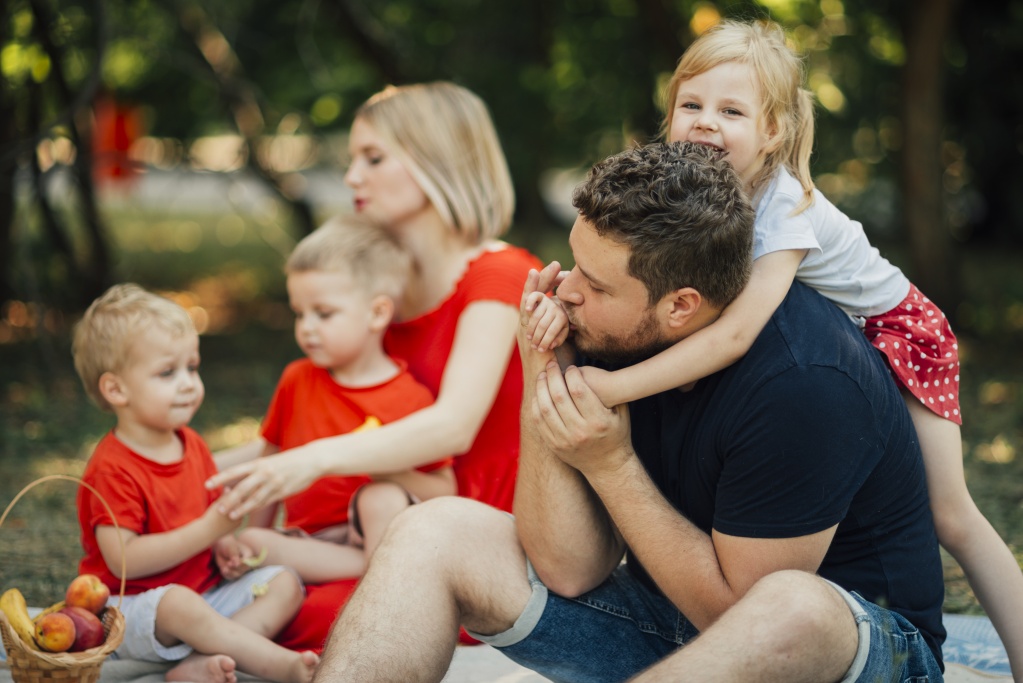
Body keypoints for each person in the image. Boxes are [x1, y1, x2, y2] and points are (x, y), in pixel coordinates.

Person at [310, 141, 946, 682]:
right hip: (671, 634)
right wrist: (546, 371)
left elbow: (737, 619)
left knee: (792, 604)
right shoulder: (613, 331)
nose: (566, 289)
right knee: (432, 529)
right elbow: (568, 567)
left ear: (680, 306)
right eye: (574, 262)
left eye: (597, 282)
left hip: (841, 655)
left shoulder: (806, 380)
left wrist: (612, 466)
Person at [523, 18, 1023, 678]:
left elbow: (733, 333)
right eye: (691, 105)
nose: (705, 122)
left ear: (773, 133)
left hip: (900, 328)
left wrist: (611, 387)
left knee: (949, 512)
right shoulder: (688, 203)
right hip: (844, 337)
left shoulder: (782, 203)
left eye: (730, 110)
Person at [206, 81, 543, 650]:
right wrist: (181, 471)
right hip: (376, 527)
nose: (352, 177)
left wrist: (312, 460)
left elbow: (452, 425)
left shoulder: (501, 276)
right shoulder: (376, 291)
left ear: (439, 161)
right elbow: (307, 430)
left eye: (374, 158)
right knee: (236, 586)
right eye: (353, 160)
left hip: (481, 539)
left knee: (309, 612)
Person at [71, 283, 319, 683]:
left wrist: (222, 545)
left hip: (203, 595)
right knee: (178, 604)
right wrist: (208, 530)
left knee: (285, 582)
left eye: (192, 367)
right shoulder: (113, 468)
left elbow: (201, 514)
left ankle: (202, 661)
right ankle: (276, 665)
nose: (188, 382)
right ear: (116, 389)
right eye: (168, 372)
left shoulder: (191, 445)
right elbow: (123, 560)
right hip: (130, 611)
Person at [228, 216, 456, 583]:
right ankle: (372, 569)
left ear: (377, 312)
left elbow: (445, 491)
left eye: (324, 313)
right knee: (252, 541)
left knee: (379, 497)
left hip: (379, 532)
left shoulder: (409, 397)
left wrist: (385, 465)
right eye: (299, 314)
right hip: (311, 543)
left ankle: (378, 572)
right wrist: (259, 538)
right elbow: (271, 465)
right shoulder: (297, 379)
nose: (307, 328)